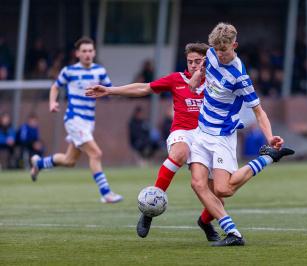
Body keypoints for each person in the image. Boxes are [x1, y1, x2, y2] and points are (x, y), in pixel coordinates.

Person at [86, 43, 222, 241]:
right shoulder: (177, 79)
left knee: (218, 193)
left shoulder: (215, 81)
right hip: (183, 132)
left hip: (208, 137)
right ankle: (149, 209)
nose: (193, 65)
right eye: (190, 61)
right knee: (180, 153)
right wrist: (110, 90)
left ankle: (205, 222)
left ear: (206, 61)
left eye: (198, 61)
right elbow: (144, 88)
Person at [188, 22, 294, 246]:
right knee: (198, 184)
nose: (219, 54)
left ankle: (267, 157)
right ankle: (233, 234)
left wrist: (270, 138)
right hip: (201, 131)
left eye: (224, 50)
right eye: (216, 49)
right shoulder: (211, 54)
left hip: (222, 136)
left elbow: (258, 111)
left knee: (222, 190)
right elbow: (206, 64)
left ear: (234, 45)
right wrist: (198, 75)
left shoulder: (240, 77)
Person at [29, 36, 123, 204]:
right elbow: (55, 86)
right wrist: (52, 102)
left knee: (69, 160)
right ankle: (106, 193)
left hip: (88, 122)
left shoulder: (99, 71)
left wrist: (120, 93)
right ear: (77, 53)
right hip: (74, 119)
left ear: (94, 52)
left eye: (90, 51)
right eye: (84, 51)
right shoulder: (69, 71)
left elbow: (111, 90)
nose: (87, 54)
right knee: (96, 153)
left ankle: (39, 163)